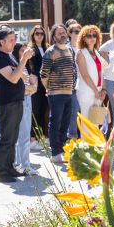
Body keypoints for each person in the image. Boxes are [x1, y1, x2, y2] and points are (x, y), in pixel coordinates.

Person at [0, 25, 34, 182]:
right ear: (2, 41)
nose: (14, 42)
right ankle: (2, 172)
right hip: (7, 103)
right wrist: (23, 60)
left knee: (13, 137)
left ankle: (9, 167)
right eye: (11, 40)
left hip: (16, 101)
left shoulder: (9, 56)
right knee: (7, 138)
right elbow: (14, 78)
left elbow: (21, 76)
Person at [40, 24, 76, 163]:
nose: (63, 35)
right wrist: (48, 89)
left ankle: (61, 150)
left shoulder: (69, 50)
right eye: (59, 33)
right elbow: (44, 74)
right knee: (56, 122)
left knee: (65, 122)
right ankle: (55, 152)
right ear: (54, 36)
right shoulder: (50, 51)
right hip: (55, 93)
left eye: (64, 32)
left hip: (69, 92)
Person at [14, 43, 39, 176]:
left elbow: (33, 85)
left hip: (27, 100)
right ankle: (21, 164)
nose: (25, 53)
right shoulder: (16, 65)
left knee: (24, 134)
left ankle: (23, 163)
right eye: (22, 50)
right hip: (18, 100)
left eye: (26, 50)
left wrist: (30, 88)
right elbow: (23, 84)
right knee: (20, 135)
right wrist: (29, 88)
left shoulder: (27, 66)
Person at [75, 25, 107, 126]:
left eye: (94, 35)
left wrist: (103, 90)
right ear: (84, 38)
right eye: (89, 36)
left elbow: (102, 73)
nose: (92, 38)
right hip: (86, 92)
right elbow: (85, 75)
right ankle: (86, 142)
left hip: (98, 91)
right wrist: (95, 91)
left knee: (96, 122)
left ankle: (95, 143)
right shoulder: (81, 53)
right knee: (87, 123)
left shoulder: (97, 53)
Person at [27, 25, 49, 138]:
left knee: (43, 109)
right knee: (35, 109)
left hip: (46, 83)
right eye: (37, 34)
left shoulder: (47, 48)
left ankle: (41, 136)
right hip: (35, 82)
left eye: (42, 34)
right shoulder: (30, 49)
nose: (39, 36)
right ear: (33, 35)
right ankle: (32, 136)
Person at [66, 23, 82, 139]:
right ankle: (72, 138)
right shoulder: (66, 49)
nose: (77, 34)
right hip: (72, 86)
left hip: (85, 84)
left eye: (79, 31)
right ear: (70, 34)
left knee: (84, 114)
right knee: (73, 113)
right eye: (75, 32)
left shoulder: (84, 48)